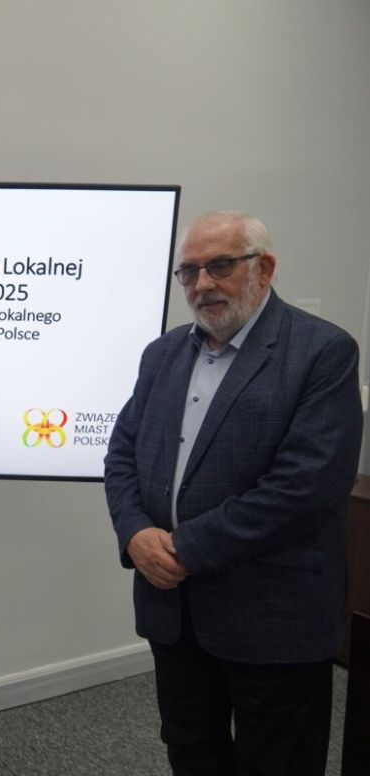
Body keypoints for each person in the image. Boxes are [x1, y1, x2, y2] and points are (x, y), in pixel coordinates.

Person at [104, 211, 362, 776]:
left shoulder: (322, 352)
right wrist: (135, 532)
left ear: (263, 268)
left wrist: (182, 548)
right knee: (191, 750)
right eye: (189, 271)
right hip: (173, 610)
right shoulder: (162, 354)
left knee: (278, 760)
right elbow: (121, 453)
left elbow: (305, 488)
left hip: (272, 612)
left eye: (220, 266)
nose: (202, 284)